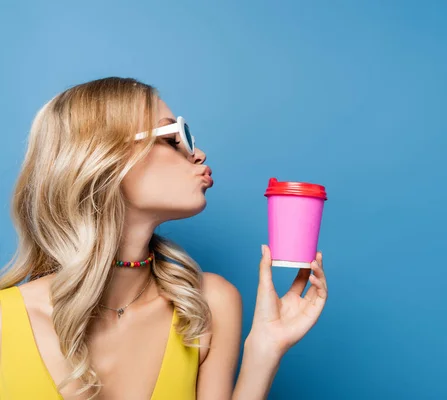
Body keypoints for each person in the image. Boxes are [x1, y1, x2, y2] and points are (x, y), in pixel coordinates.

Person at [0, 77, 328, 400]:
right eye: (173, 138)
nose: (197, 153)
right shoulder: (5, 319)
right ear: (103, 157)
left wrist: (266, 348)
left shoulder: (209, 304)